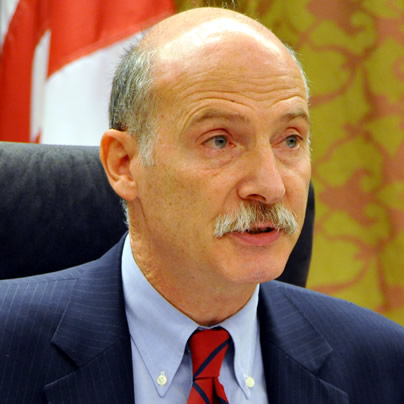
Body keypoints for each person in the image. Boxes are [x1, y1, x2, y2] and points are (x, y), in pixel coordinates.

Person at [0, 7, 403, 404]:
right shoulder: (9, 348)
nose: (271, 186)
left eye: (290, 140)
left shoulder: (381, 363)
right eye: (220, 141)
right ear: (124, 164)